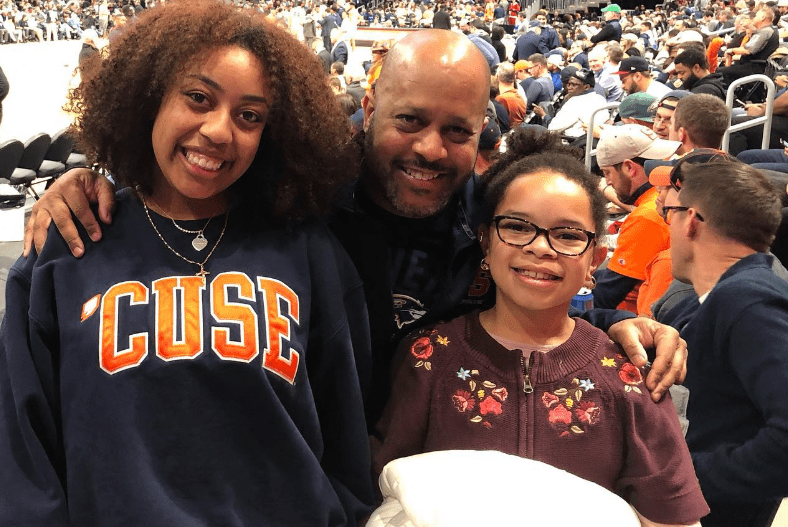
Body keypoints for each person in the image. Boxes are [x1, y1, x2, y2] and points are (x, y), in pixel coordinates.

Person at [26, 30, 689, 428]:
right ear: (370, 108)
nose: (431, 149)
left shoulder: (489, 219)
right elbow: (192, 171)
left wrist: (616, 325)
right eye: (410, 121)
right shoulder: (291, 191)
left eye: (456, 131)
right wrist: (91, 181)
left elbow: (541, 296)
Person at [0, 2, 374, 524]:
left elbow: (347, 439)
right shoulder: (68, 243)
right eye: (198, 98)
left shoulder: (309, 252)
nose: (220, 131)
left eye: (250, 116)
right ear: (150, 97)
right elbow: (22, 452)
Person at [373, 150, 709, 526]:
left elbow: (670, 518)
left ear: (594, 259)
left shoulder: (631, 377)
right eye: (516, 227)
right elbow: (386, 490)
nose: (539, 246)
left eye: (567, 235)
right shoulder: (428, 357)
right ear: (485, 241)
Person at [663, 161, 788, 527]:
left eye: (668, 212)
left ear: (691, 220)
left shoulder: (748, 302)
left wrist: (680, 473)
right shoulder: (710, 300)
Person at [594, 125, 680, 312]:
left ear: (629, 167)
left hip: (631, 321)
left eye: (607, 172)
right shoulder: (660, 201)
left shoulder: (647, 216)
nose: (607, 181)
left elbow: (606, 296)